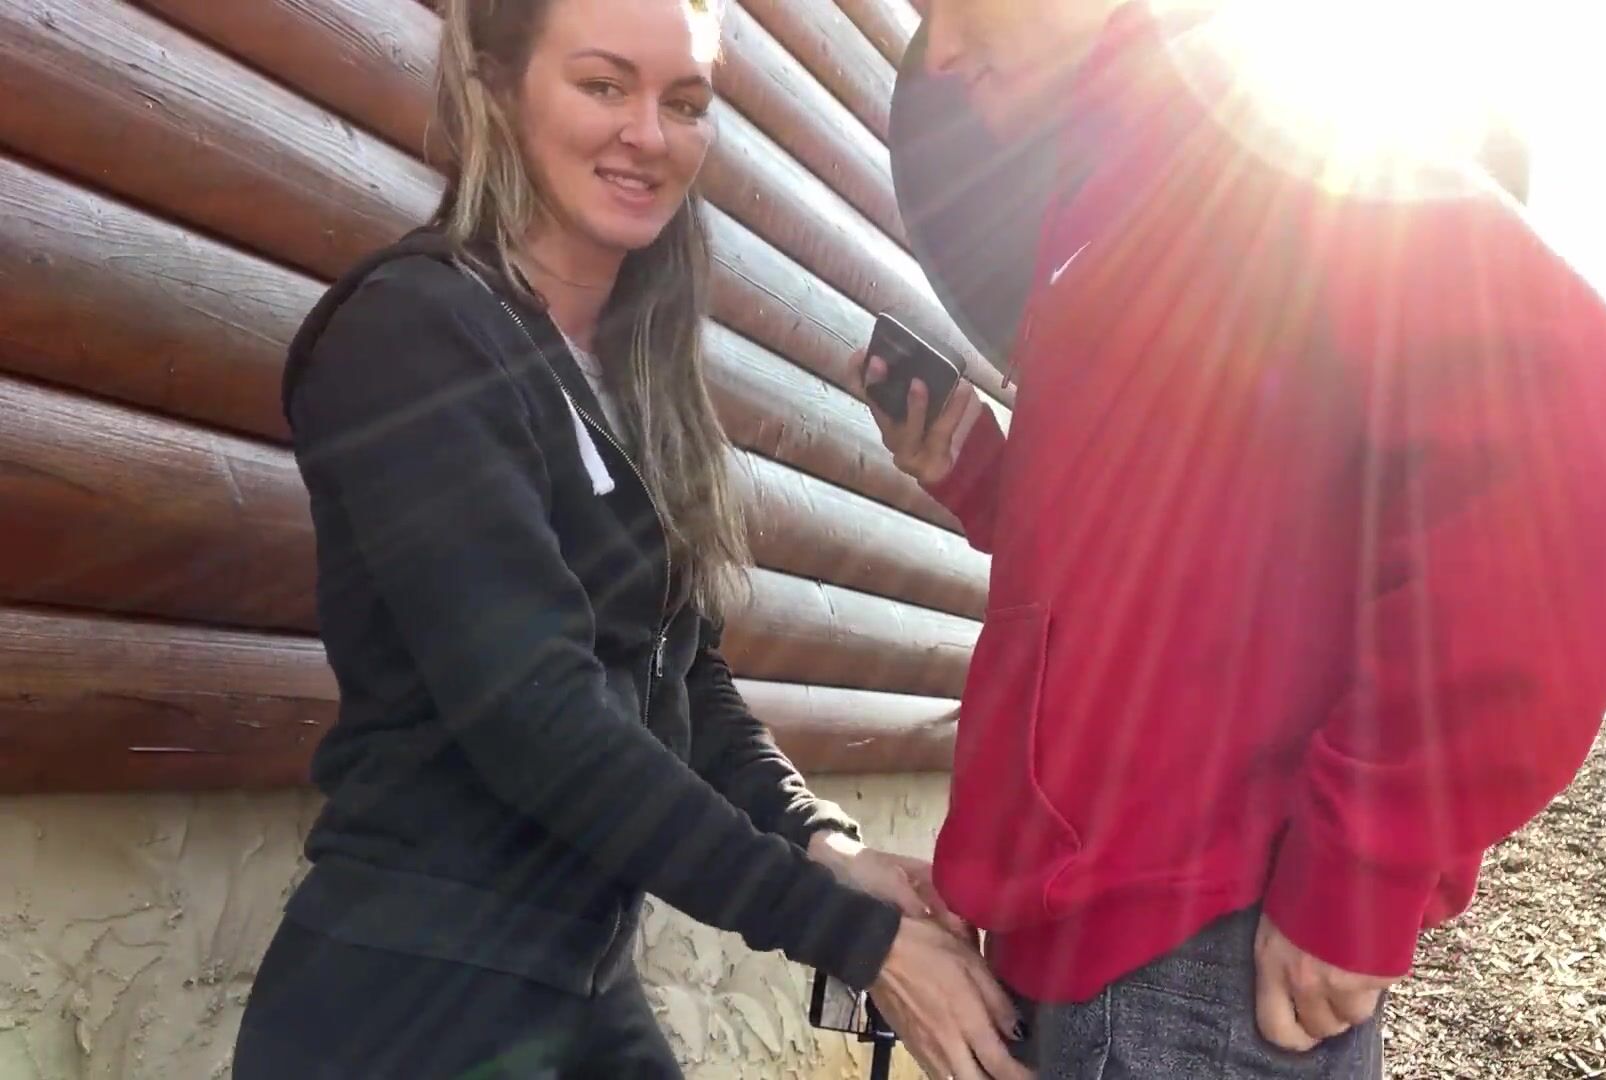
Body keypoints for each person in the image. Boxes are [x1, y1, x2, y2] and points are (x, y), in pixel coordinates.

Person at [852, 1, 1606, 1077]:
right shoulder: (1105, 195)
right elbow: (1161, 547)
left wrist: (1366, 864)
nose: (941, 54)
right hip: (1096, 957)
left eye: (955, 7)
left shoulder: (1244, 125)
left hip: (1190, 971)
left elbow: (1574, 415)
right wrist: (974, 471)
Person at [232, 1, 1027, 1076]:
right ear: (495, 86)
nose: (649, 135)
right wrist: (855, 940)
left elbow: (684, 679)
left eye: (684, 103)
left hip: (577, 984)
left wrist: (820, 842)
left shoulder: (627, 376)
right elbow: (539, 716)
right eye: (603, 85)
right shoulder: (413, 336)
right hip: (412, 1001)